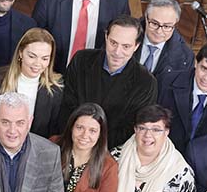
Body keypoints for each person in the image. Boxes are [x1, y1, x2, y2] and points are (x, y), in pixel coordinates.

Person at [60, 16, 157, 149]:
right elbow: (66, 106)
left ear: (136, 46)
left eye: (126, 46)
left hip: (110, 152)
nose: (117, 52)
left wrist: (95, 146)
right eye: (113, 43)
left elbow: (131, 129)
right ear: (106, 37)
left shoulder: (146, 82)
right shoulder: (81, 60)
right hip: (72, 142)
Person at [108, 106, 197, 192]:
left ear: (166, 132)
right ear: (135, 129)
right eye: (142, 128)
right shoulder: (115, 158)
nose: (147, 135)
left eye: (156, 129)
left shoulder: (181, 173)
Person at [157, 40, 207, 157]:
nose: (206, 77)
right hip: (164, 154)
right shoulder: (167, 82)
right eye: (204, 69)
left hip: (205, 162)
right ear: (196, 63)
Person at [0, 27, 64, 138]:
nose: (37, 64)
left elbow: (53, 131)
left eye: (44, 58)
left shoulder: (56, 87)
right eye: (32, 56)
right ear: (20, 53)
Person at [134, 0, 193, 85]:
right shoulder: (127, 36)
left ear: (175, 24)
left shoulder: (185, 57)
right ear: (146, 18)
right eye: (154, 23)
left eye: (166, 26)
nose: (159, 31)